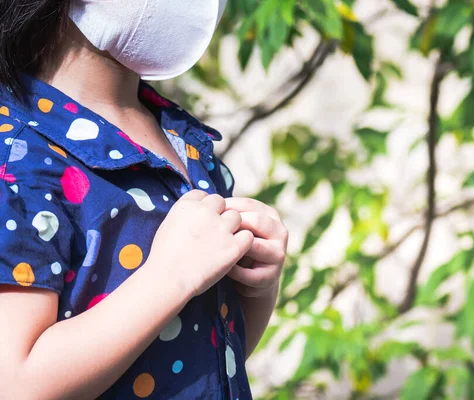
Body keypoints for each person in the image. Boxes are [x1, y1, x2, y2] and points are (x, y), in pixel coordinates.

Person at [0, 0, 288, 399]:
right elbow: (16, 385)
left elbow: (207, 357)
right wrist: (170, 277)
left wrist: (256, 287)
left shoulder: (179, 136)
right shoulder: (17, 156)